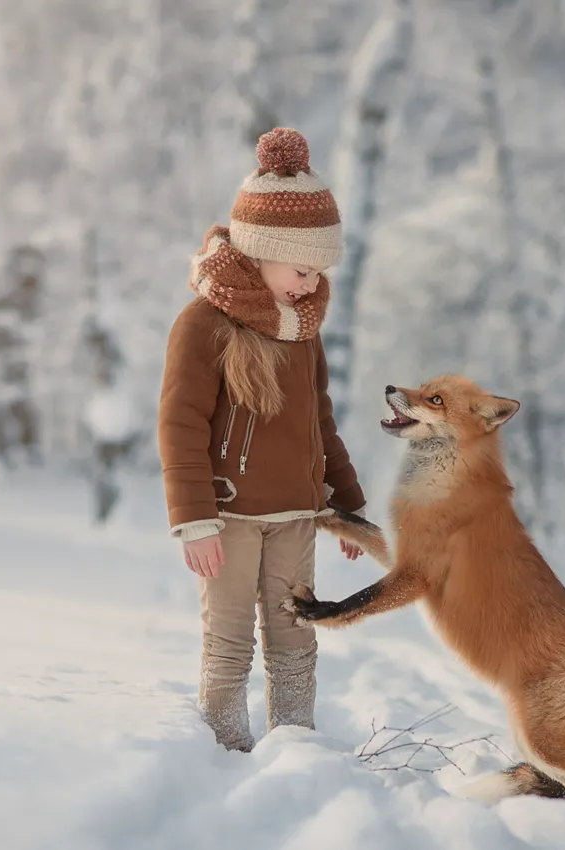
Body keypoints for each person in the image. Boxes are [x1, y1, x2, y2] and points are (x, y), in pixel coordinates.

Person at [158, 127, 368, 752]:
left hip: (296, 515)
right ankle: (225, 754)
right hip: (226, 517)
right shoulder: (203, 324)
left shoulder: (303, 328)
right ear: (261, 251)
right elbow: (179, 423)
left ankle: (295, 750)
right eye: (302, 269)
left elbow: (318, 420)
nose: (311, 284)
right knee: (229, 639)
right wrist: (193, 519)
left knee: (294, 636)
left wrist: (348, 505)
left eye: (319, 271)